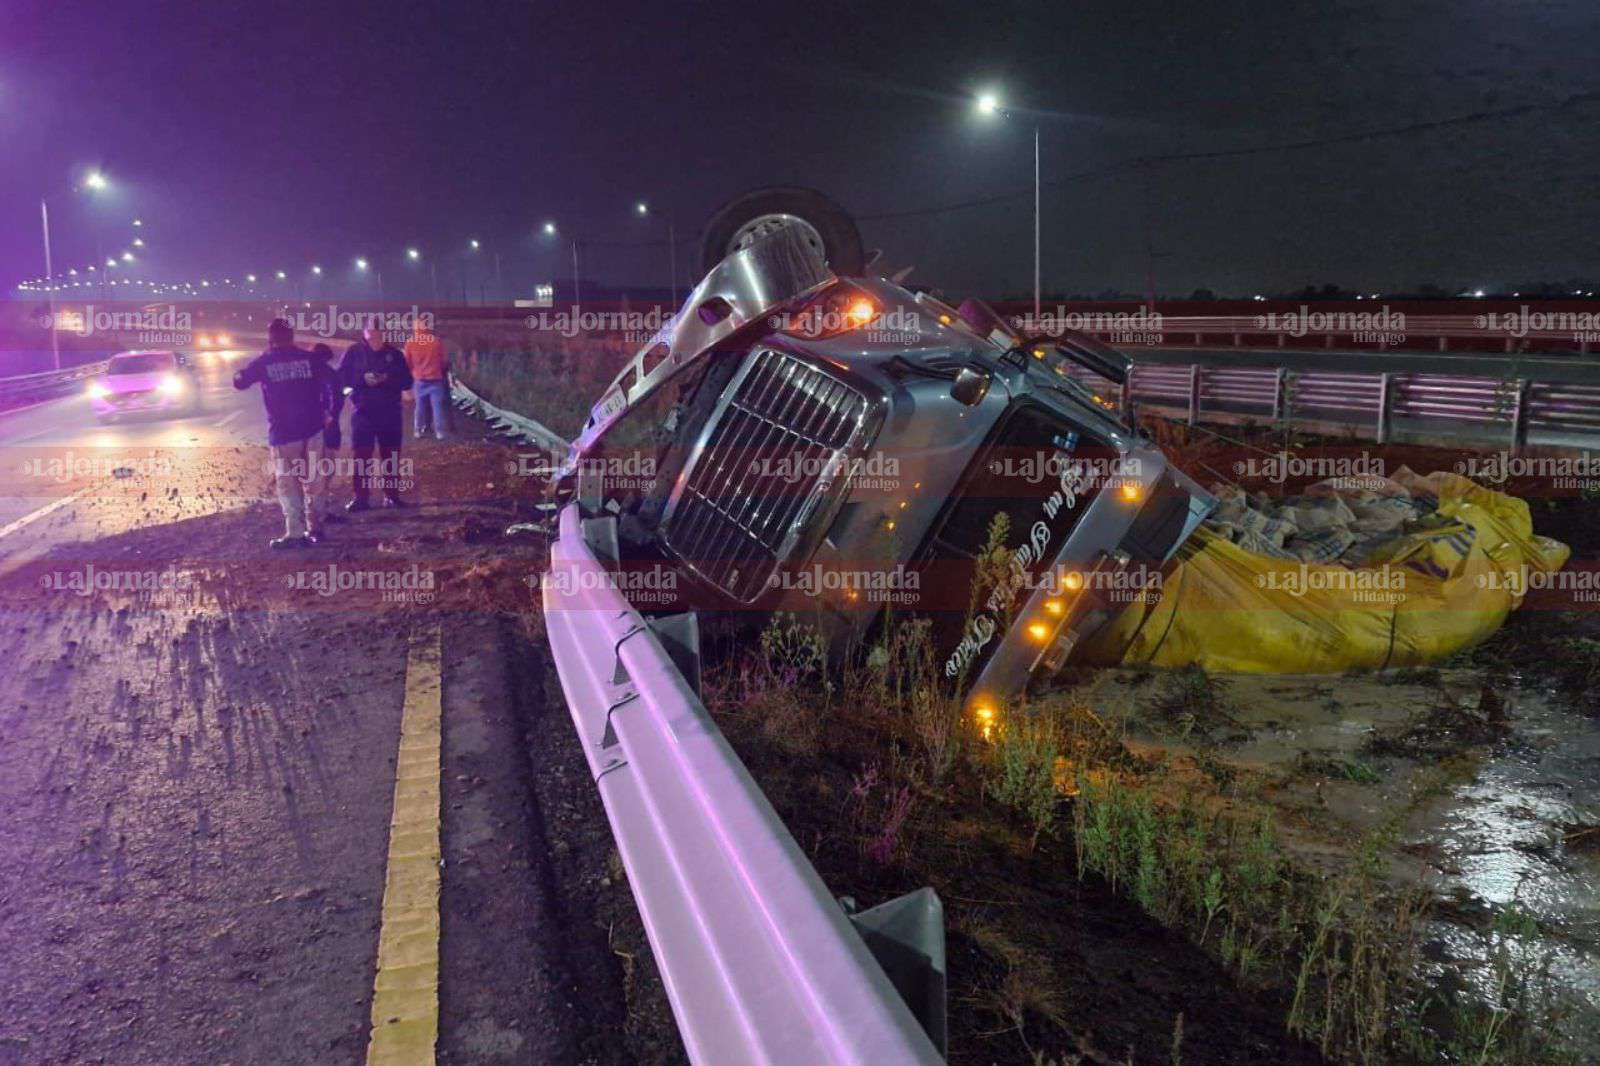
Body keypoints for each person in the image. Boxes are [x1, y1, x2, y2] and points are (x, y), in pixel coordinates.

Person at [232, 319, 340, 548]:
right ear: (292, 336)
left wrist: (240, 373)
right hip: (312, 430)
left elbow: (240, 382)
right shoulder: (309, 359)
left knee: (289, 484)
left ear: (270, 339)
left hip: (283, 435)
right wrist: (330, 412)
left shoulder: (264, 362)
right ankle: (316, 528)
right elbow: (335, 381)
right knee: (315, 481)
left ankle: (296, 534)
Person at [340, 323, 413, 510]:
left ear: (383, 334)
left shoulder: (395, 355)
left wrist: (387, 379)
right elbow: (341, 379)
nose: (373, 336)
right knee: (362, 456)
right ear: (364, 333)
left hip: (390, 413)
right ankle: (361, 498)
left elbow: (407, 382)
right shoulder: (353, 353)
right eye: (370, 332)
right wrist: (361, 381)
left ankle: (391, 496)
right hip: (363, 413)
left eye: (377, 332)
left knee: (391, 457)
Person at [312, 342, 346, 521]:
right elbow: (337, 397)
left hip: (310, 428)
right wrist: (331, 417)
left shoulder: (307, 374)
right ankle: (320, 510)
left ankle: (317, 509)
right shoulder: (329, 373)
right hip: (327, 428)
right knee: (326, 468)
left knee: (317, 470)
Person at [403, 319, 450, 439]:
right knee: (437, 406)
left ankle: (417, 431)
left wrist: (413, 373)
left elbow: (407, 363)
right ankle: (439, 432)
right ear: (427, 328)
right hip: (436, 379)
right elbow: (444, 361)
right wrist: (440, 370)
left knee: (419, 406)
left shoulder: (410, 343)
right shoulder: (436, 341)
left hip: (420, 380)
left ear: (415, 329)